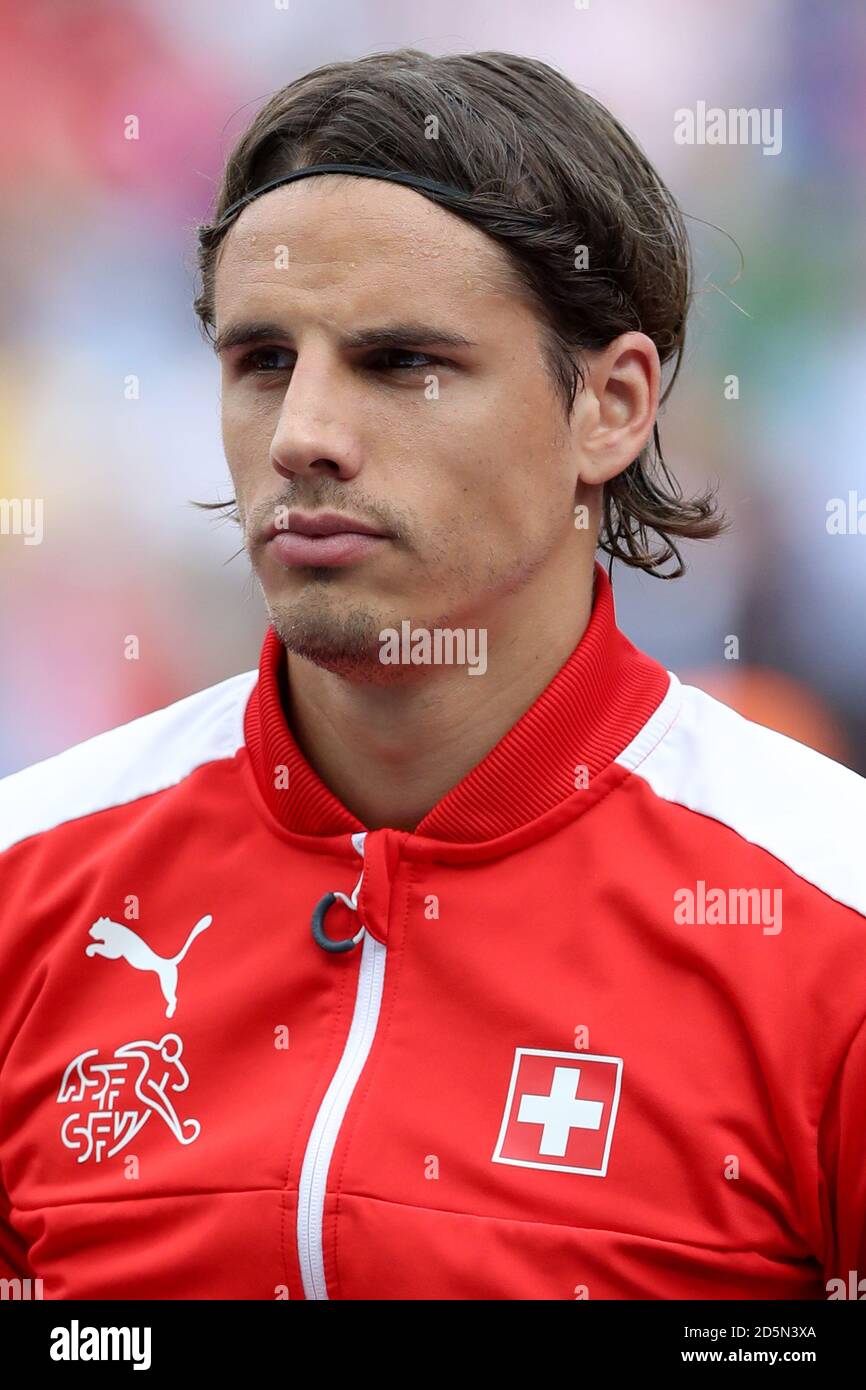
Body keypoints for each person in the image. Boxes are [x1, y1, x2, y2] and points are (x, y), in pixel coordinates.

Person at [0, 48, 863, 1301]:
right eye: (261, 362)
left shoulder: (827, 921)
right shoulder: (27, 882)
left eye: (402, 363)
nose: (303, 436)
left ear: (609, 406)